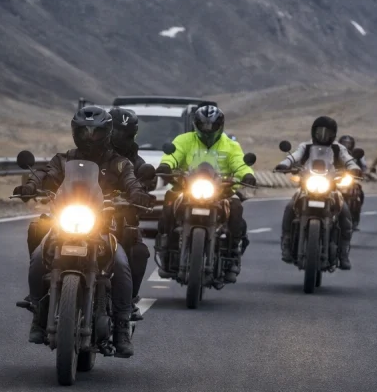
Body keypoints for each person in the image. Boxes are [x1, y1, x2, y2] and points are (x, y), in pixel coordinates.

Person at [18, 106, 154, 357]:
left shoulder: (120, 163)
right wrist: (31, 185)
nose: (90, 137)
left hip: (101, 226)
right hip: (67, 222)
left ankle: (122, 327)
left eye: (96, 132)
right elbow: (45, 173)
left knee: (122, 262)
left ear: (106, 132)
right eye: (84, 131)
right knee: (39, 256)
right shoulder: (64, 159)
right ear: (75, 132)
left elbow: (132, 180)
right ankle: (38, 315)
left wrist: (136, 194)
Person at [154, 104, 256, 283]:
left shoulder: (230, 145)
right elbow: (173, 155)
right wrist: (166, 165)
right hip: (188, 188)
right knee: (169, 201)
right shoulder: (184, 140)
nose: (208, 130)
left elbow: (240, 163)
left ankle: (232, 255)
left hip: (220, 192)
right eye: (204, 125)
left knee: (236, 207)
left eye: (212, 126)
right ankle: (166, 248)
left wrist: (247, 175)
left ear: (220, 125)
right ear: (196, 124)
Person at [276, 116, 360, 268]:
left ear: (333, 134)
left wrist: (354, 168)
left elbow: (348, 159)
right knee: (289, 207)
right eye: (319, 131)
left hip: (331, 189)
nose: (323, 135)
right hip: (307, 187)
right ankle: (287, 244)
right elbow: (294, 156)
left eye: (327, 132)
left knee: (345, 213)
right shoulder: (305, 146)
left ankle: (343, 253)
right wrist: (284, 164)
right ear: (313, 131)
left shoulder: (338, 148)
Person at [108, 107, 153, 322]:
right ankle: (42, 299)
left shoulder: (136, 161)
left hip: (121, 222)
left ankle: (127, 306)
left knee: (138, 252)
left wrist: (143, 192)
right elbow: (68, 172)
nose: (119, 138)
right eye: (115, 132)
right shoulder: (90, 154)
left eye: (125, 134)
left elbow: (146, 181)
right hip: (86, 218)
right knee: (42, 231)